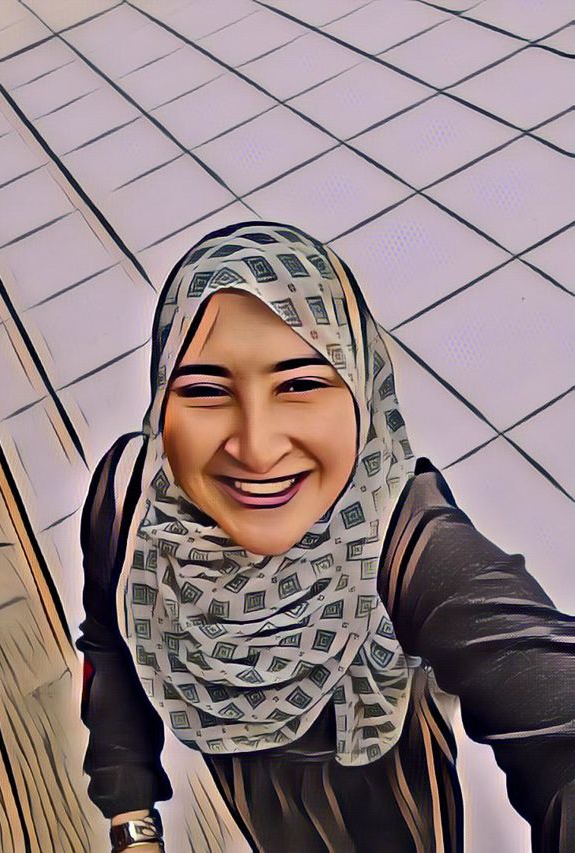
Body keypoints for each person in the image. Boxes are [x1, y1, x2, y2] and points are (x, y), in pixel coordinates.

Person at [77, 221, 575, 853]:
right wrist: (130, 816)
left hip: (392, 799)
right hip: (254, 799)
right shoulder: (133, 501)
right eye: (204, 390)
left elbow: (552, 706)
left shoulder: (401, 539)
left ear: (360, 393)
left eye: (300, 384)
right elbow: (111, 639)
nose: (256, 449)